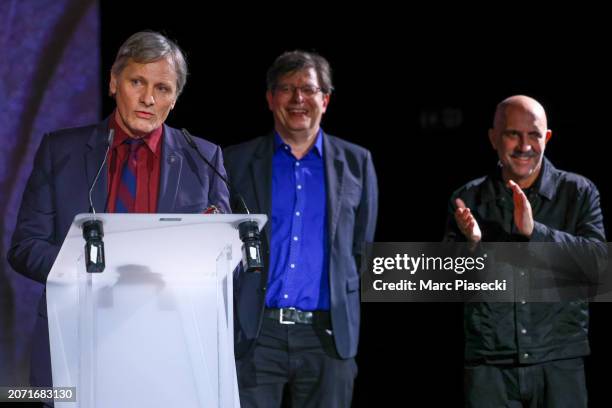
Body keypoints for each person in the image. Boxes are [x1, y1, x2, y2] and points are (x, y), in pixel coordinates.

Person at [7, 31, 229, 393]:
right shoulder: (60, 150)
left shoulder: (203, 158)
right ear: (114, 82)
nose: (147, 99)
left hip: (170, 347)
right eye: (137, 82)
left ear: (175, 99)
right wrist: (95, 271)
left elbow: (223, 256)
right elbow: (25, 246)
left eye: (163, 88)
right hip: (78, 339)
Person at [223, 50, 378, 407]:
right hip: (256, 335)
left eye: (308, 89)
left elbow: (361, 251)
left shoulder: (357, 162)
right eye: (286, 89)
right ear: (269, 98)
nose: (298, 99)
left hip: (327, 335)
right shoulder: (235, 161)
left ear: (325, 99)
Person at [444, 95, 605, 407]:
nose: (524, 145)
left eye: (533, 134)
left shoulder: (578, 192)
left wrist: (536, 233)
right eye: (512, 134)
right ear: (493, 138)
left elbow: (598, 269)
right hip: (490, 368)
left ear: (547, 138)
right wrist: (473, 245)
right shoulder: (467, 198)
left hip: (559, 362)